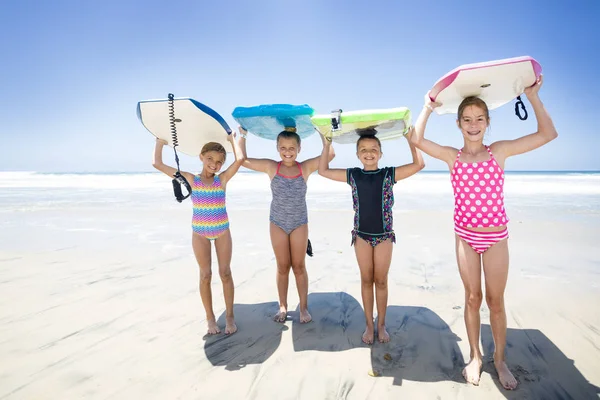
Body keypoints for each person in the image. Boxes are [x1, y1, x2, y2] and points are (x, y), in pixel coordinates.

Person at [410, 74, 558, 389]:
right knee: (473, 297)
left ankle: (500, 360)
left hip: (495, 239)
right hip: (465, 236)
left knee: (496, 300)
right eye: (466, 119)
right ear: (459, 123)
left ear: (487, 122)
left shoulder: (498, 152)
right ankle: (475, 356)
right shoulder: (453, 156)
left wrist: (532, 97)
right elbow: (417, 139)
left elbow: (548, 133)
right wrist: (427, 106)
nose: (473, 124)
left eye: (479, 118)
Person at [317, 128, 424, 344]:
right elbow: (323, 171)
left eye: (373, 149)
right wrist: (327, 144)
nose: (369, 153)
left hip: (384, 235)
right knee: (366, 280)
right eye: (363, 150)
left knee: (381, 281)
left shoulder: (388, 174)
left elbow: (418, 164)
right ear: (357, 154)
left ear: (381, 153)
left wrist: (409, 139)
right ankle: (368, 324)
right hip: (361, 236)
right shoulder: (353, 175)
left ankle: (381, 324)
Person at [152, 130, 245, 335]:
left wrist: (232, 140)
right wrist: (160, 143)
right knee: (205, 275)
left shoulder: (222, 179)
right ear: (201, 157)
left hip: (222, 231)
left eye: (220, 161)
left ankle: (229, 316)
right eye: (210, 158)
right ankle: (210, 319)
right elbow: (157, 164)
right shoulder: (191, 179)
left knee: (225, 273)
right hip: (200, 233)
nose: (214, 164)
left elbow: (240, 159)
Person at [239, 127, 334, 323]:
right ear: (277, 148)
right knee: (283, 267)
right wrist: (242, 136)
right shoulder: (271, 167)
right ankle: (282, 306)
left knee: (299, 266)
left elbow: (330, 154)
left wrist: (322, 133)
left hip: (299, 222)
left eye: (292, 148)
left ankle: (304, 308)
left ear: (299, 148)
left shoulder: (304, 168)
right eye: (283, 147)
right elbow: (243, 160)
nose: (288, 151)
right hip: (277, 222)